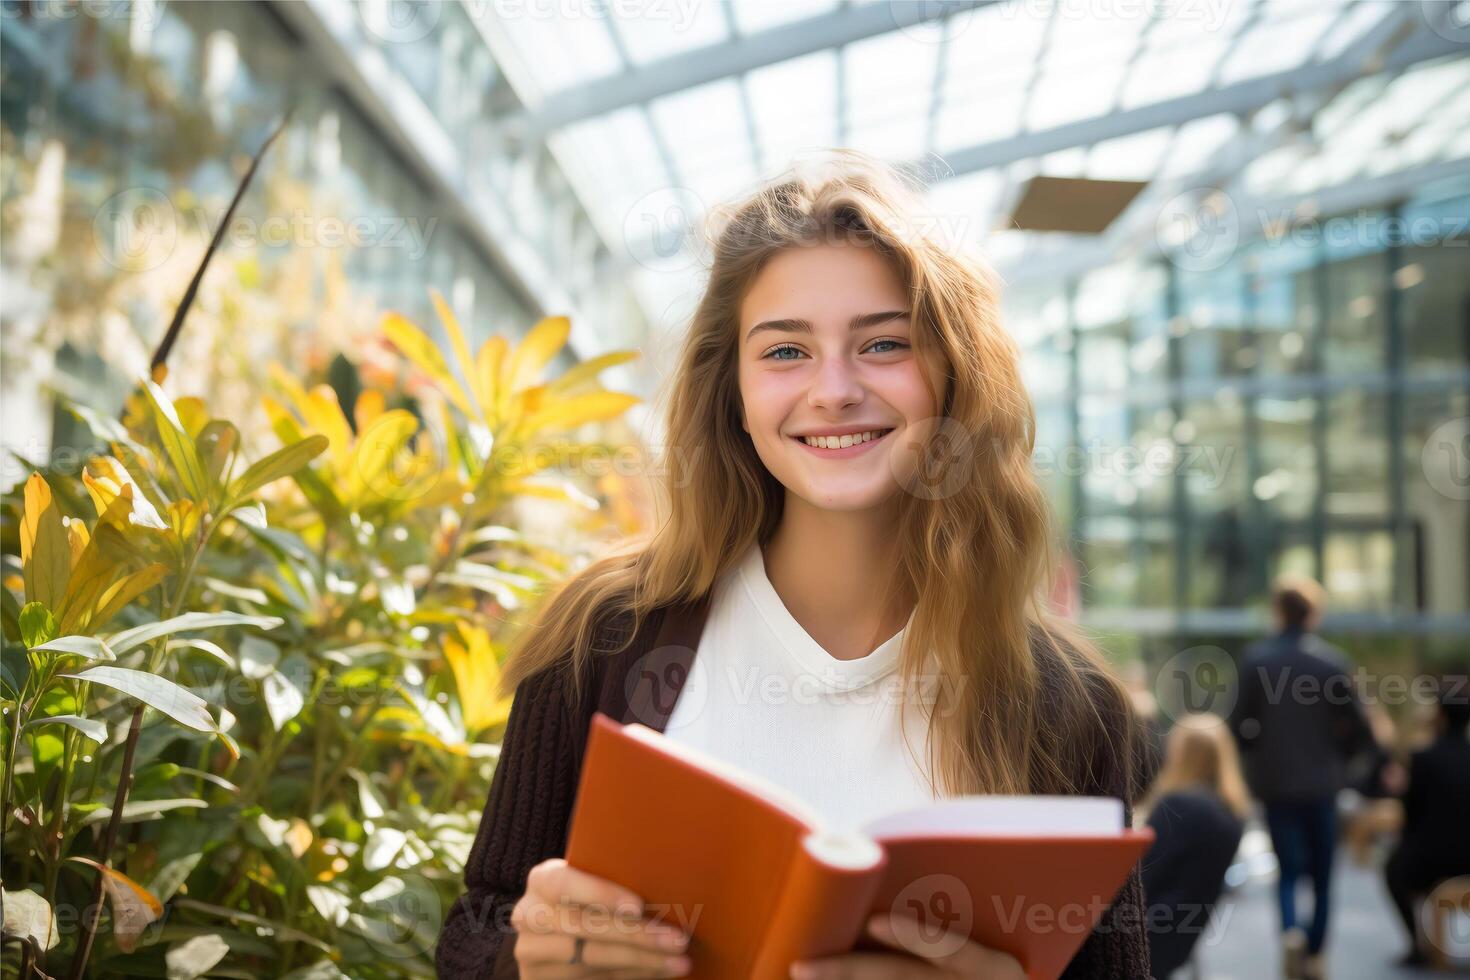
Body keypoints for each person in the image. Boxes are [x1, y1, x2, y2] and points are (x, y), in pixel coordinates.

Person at [435, 151, 1151, 979]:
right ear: (731, 390)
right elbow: (476, 929)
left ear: (953, 377)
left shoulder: (1067, 706)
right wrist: (526, 959)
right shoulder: (606, 633)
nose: (834, 390)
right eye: (785, 352)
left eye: (884, 344)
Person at [1230, 575, 1375, 980]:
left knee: (1288, 872)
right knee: (1325, 876)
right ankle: (1315, 951)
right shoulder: (1331, 663)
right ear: (1313, 612)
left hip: (1275, 783)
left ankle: (1291, 933)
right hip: (1323, 784)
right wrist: (1342, 762)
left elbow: (1237, 725)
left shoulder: (1257, 661)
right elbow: (1361, 730)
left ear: (1278, 611)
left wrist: (1254, 756)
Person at [1139, 713, 1248, 978]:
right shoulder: (1231, 811)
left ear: (1183, 753)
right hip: (1181, 936)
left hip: (1146, 933)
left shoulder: (1178, 806)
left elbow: (1143, 874)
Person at [1383, 679, 1470, 967]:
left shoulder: (1424, 758)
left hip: (1431, 859)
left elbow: (1410, 816)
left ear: (1440, 715)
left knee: (1393, 870)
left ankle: (1417, 946)